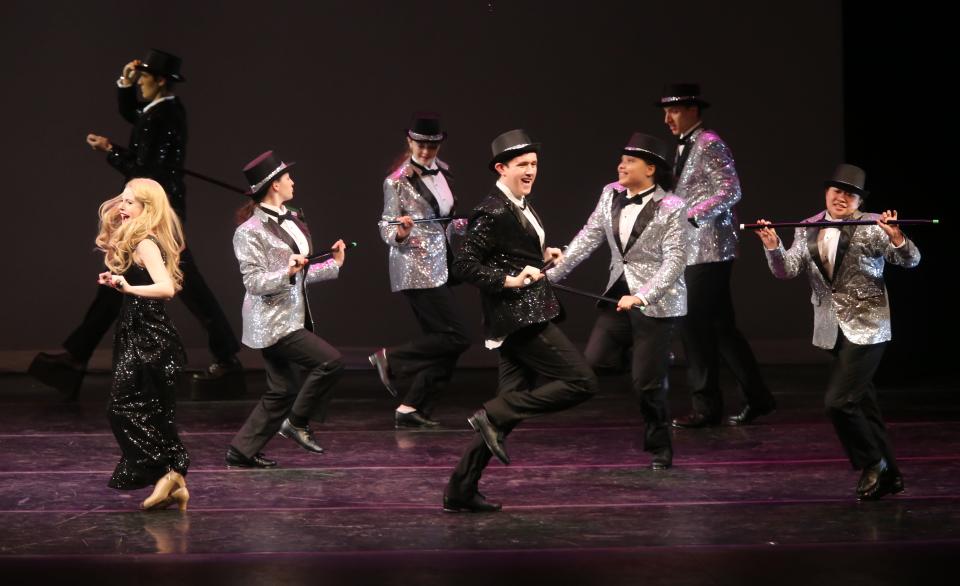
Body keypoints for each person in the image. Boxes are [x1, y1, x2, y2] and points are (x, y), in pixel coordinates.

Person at [30, 49, 241, 399]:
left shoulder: (169, 114)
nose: (139, 85)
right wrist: (124, 84)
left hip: (159, 213)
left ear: (159, 81)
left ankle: (227, 359)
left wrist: (111, 150)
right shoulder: (156, 111)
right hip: (151, 210)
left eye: (143, 79)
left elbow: (148, 172)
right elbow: (134, 114)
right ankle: (75, 358)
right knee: (118, 282)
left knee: (184, 282)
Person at [443, 129, 598, 513]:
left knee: (504, 411)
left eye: (534, 164)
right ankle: (493, 415)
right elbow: (463, 265)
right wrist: (510, 280)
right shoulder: (493, 209)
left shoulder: (519, 203)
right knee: (582, 382)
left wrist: (545, 255)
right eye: (522, 165)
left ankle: (460, 490)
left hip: (523, 312)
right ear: (501, 168)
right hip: (520, 317)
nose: (531, 170)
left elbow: (510, 253)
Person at [754, 164, 919, 500]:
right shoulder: (808, 227)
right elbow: (788, 270)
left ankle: (873, 463)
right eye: (836, 190)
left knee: (838, 402)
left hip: (868, 327)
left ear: (859, 200)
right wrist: (773, 247)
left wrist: (897, 237)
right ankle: (892, 476)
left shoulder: (873, 226)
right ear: (826, 192)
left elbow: (912, 260)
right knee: (863, 404)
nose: (842, 197)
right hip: (832, 328)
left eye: (851, 193)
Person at [548, 132, 688, 470]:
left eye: (629, 161)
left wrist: (641, 295)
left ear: (650, 168)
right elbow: (588, 237)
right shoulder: (610, 194)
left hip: (655, 305)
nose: (620, 166)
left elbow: (674, 262)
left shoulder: (672, 207)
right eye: (621, 160)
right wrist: (550, 275)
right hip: (616, 296)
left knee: (645, 385)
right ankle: (648, 360)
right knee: (592, 362)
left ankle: (660, 446)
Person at [657, 82, 776, 427]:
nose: (667, 118)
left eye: (674, 110)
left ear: (694, 110)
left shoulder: (709, 143)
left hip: (708, 248)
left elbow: (730, 190)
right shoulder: (681, 147)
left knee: (694, 326)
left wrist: (691, 215)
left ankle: (707, 406)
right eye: (665, 111)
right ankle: (758, 396)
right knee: (722, 327)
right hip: (697, 250)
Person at [225, 151, 347, 469]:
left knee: (283, 389)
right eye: (287, 177)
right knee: (331, 362)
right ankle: (296, 423)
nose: (292, 181)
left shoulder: (293, 219)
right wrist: (287, 272)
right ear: (274, 185)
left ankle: (241, 451)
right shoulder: (249, 231)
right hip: (272, 322)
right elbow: (254, 282)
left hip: (293, 315)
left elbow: (300, 276)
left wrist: (331, 265)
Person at [370, 113, 470, 428]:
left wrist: (460, 223)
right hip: (415, 267)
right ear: (410, 142)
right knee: (457, 335)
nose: (426, 152)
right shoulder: (396, 180)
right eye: (421, 145)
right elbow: (385, 227)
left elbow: (445, 218)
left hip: (441, 264)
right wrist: (399, 232)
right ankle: (390, 359)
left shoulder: (445, 173)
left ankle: (412, 407)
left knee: (445, 340)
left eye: (432, 146)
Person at [97, 178, 190, 511]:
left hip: (149, 337)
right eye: (121, 200)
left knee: (120, 407)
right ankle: (172, 478)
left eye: (130, 202)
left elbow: (166, 288)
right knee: (154, 411)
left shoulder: (146, 243)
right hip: (138, 332)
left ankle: (167, 472)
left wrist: (129, 288)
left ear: (147, 209)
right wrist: (118, 282)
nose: (122, 207)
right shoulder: (138, 241)